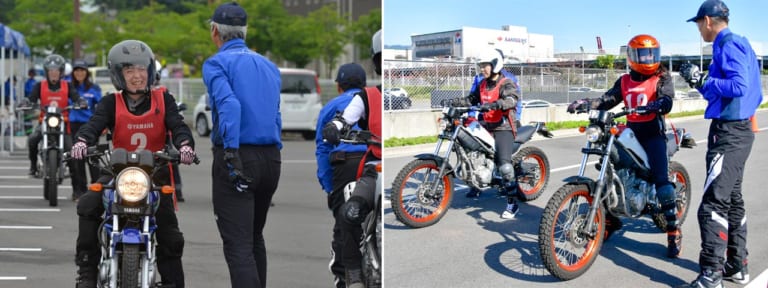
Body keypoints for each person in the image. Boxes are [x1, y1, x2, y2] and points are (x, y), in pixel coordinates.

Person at [70, 40, 196, 288]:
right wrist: (82, 141)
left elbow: (179, 126)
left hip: (155, 175)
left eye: (141, 69)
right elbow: (93, 125)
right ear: (118, 74)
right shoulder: (110, 102)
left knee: (170, 233)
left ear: (150, 71)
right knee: (87, 204)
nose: (137, 76)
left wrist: (185, 146)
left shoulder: (164, 99)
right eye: (129, 70)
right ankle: (87, 271)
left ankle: (173, 282)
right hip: (117, 173)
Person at [567, 34, 682, 258]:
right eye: (643, 54)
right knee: (610, 168)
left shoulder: (662, 78)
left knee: (661, 180)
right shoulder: (625, 81)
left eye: (652, 53)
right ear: (632, 56)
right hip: (630, 133)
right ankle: (611, 218)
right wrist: (587, 103)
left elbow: (667, 100)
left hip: (652, 135)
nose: (648, 58)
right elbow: (608, 99)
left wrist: (656, 105)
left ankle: (673, 228)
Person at [678, 1, 762, 287]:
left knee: (712, 205)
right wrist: (698, 82)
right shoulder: (739, 45)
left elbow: (739, 87)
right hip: (736, 130)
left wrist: (705, 79)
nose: (699, 29)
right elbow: (733, 92)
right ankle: (737, 267)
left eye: (699, 23)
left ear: (708, 21)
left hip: (729, 134)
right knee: (732, 201)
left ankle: (711, 275)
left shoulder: (728, 44)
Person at [203, 3, 282, 288]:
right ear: (244, 31)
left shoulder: (216, 63)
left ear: (215, 31)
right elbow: (275, 112)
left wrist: (230, 151)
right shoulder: (268, 65)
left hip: (238, 154)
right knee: (253, 237)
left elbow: (229, 105)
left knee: (237, 245)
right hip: (271, 158)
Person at [322, 29, 382, 288]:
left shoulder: (400, 95)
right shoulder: (365, 97)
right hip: (374, 169)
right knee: (349, 212)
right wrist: (335, 127)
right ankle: (354, 274)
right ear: (378, 63)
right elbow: (344, 117)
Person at [315, 63, 369, 288]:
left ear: (338, 86)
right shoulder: (371, 101)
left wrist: (330, 188)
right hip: (370, 162)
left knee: (344, 226)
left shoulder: (331, 107)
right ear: (365, 85)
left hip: (344, 166)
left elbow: (322, 148)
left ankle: (345, 278)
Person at [457, 47, 522, 219]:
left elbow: (511, 99)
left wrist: (497, 104)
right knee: (467, 143)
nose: (482, 69)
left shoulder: (506, 82)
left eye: (485, 65)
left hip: (503, 127)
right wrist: (456, 102)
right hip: (486, 124)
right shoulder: (482, 84)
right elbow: (471, 99)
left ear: (495, 65)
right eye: (481, 66)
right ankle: (476, 181)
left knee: (505, 165)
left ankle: (512, 203)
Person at [22, 54, 84, 176]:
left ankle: (74, 180)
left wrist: (80, 101)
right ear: (47, 72)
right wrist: (27, 102)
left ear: (61, 72)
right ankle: (33, 166)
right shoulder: (39, 85)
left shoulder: (68, 85)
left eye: (56, 70)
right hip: (44, 121)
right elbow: (32, 98)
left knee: (71, 149)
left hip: (63, 123)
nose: (54, 73)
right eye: (51, 70)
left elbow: (76, 97)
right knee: (32, 140)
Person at [68, 59, 102, 201]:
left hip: (90, 127)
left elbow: (100, 108)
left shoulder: (94, 88)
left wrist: (102, 125)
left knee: (92, 158)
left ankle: (97, 189)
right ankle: (79, 191)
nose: (79, 73)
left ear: (86, 72)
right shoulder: (70, 88)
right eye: (77, 70)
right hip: (74, 126)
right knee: (76, 160)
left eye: (82, 70)